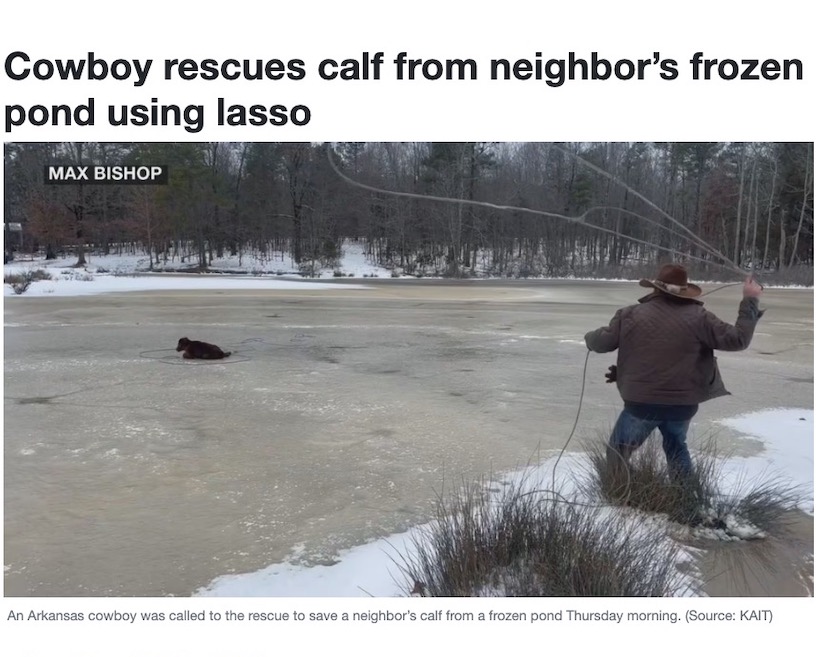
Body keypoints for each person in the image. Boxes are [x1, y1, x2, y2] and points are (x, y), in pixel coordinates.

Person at [584, 263, 764, 485]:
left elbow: (601, 343)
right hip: (682, 404)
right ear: (685, 290)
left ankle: (626, 494)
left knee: (617, 453)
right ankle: (687, 501)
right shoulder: (701, 317)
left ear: (655, 288)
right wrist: (750, 300)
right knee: (676, 447)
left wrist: (589, 338)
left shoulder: (629, 314)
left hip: (641, 403)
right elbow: (739, 339)